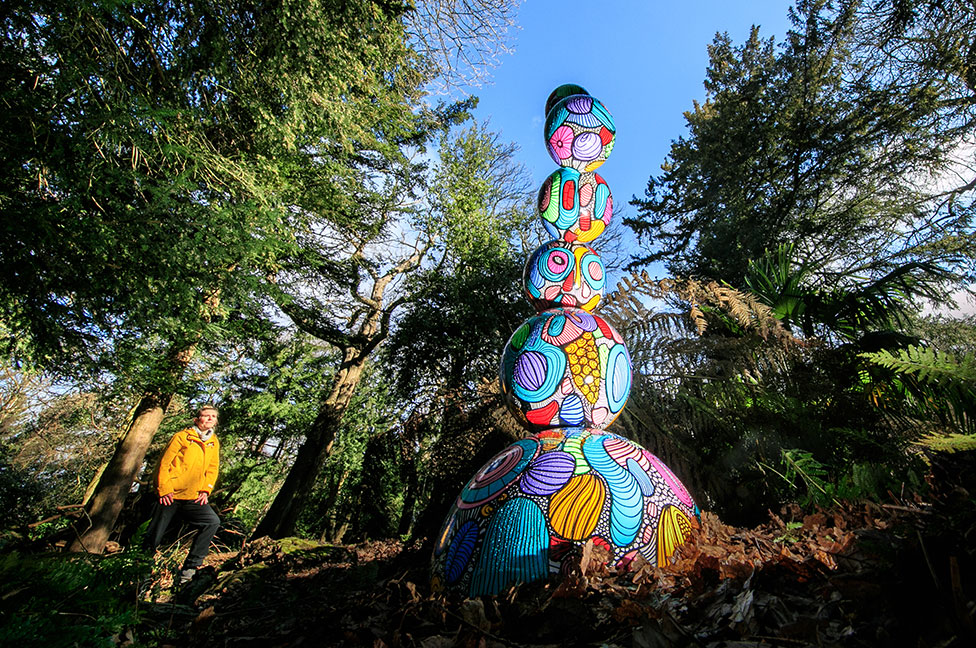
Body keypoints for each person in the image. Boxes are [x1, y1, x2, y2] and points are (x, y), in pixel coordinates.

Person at [145, 405, 221, 585]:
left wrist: (205, 490)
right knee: (154, 534)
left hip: (193, 496)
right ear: (197, 420)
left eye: (213, 416)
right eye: (206, 416)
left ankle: (190, 569)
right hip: (170, 495)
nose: (210, 419)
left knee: (212, 521)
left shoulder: (213, 441)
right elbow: (163, 464)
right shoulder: (182, 437)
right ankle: (142, 573)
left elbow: (212, 468)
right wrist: (163, 490)